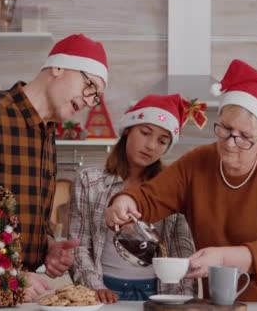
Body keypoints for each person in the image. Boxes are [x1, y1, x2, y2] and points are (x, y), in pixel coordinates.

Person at [104, 59, 257, 302]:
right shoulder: (199, 161)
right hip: (227, 302)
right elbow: (150, 196)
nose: (231, 143)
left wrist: (222, 258)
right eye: (226, 129)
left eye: (245, 137)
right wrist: (125, 201)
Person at [0, 34, 109, 311]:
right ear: (58, 68)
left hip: (18, 290)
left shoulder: (47, 134)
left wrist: (46, 246)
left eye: (96, 96)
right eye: (89, 86)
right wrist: (6, 274)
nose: (89, 101)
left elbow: (16, 216)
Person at [69, 94, 196, 303]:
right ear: (128, 129)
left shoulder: (172, 188)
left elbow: (181, 248)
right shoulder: (90, 181)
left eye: (162, 141)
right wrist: (94, 288)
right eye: (145, 133)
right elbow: (78, 245)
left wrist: (180, 299)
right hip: (105, 290)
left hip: (159, 292)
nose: (151, 146)